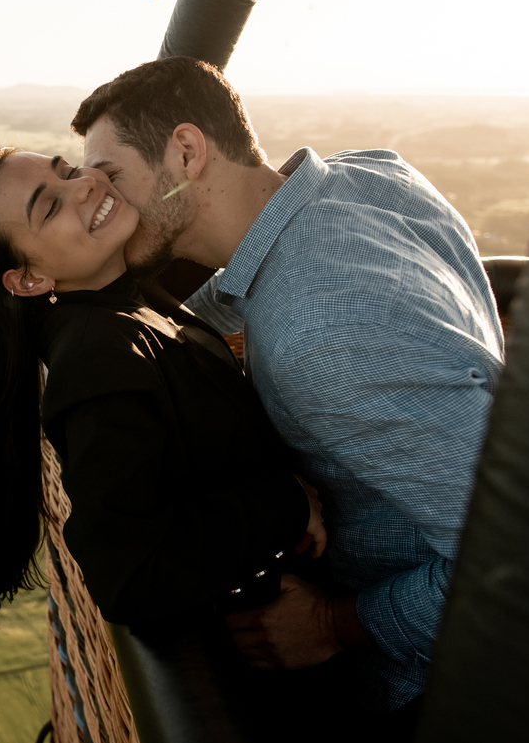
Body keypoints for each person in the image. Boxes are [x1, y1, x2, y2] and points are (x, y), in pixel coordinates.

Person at [73, 56, 505, 723]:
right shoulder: (371, 176)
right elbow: (254, 287)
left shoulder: (319, 334)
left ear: (186, 151)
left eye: (113, 178)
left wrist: (334, 624)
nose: (103, 203)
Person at [0, 146, 329, 646]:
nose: (84, 184)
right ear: (29, 279)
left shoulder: (121, 292)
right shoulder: (96, 361)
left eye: (68, 170)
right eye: (49, 206)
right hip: (288, 647)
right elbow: (128, 577)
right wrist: (285, 505)